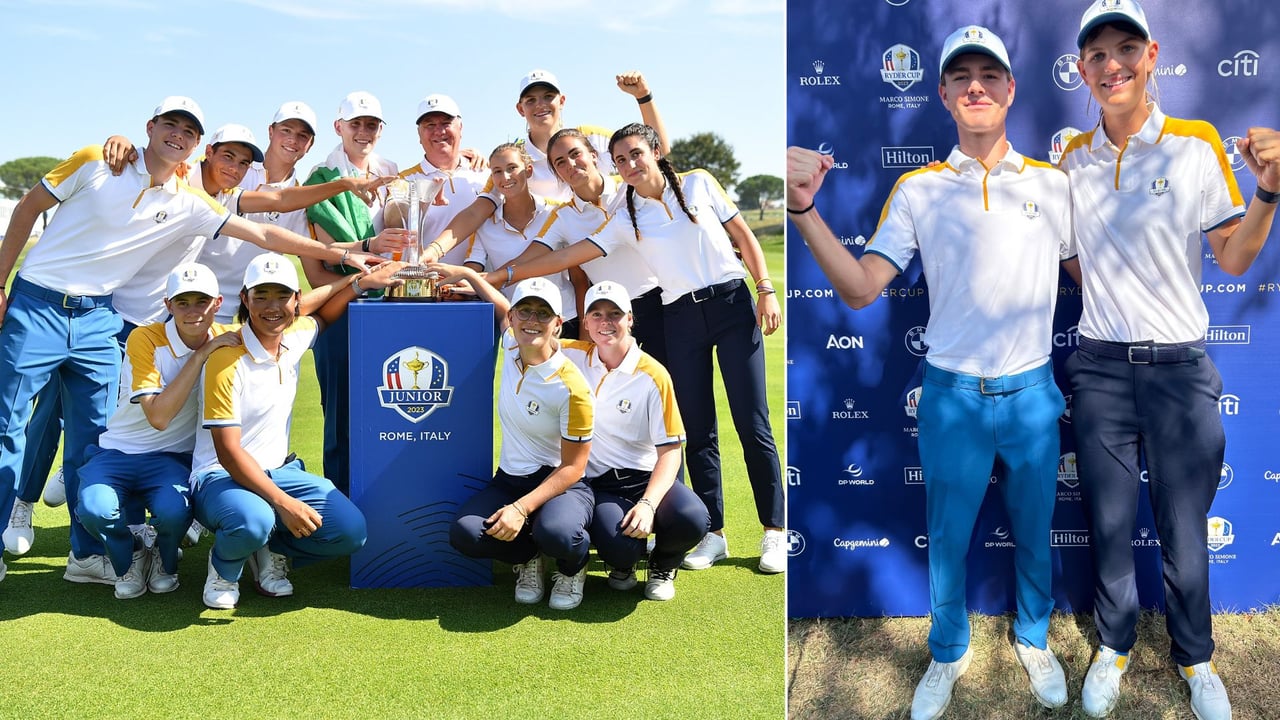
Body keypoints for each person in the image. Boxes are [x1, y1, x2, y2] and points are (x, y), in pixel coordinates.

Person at [789, 25, 1076, 719]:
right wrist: (802, 210)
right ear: (944, 94)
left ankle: (1033, 638)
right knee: (947, 540)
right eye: (962, 77)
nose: (976, 86)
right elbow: (860, 288)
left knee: (1035, 530)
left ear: (1011, 89)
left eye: (989, 75)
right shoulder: (918, 190)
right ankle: (948, 652)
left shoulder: (1056, 184)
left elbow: (1092, 278)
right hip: (951, 398)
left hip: (1034, 393)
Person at [0, 96, 380, 585]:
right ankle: (22, 508)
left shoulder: (198, 200)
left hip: (124, 318)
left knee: (95, 439)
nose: (235, 166)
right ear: (157, 130)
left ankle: (95, 546)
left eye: (243, 161)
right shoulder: (109, 160)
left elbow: (270, 228)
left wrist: (348, 254)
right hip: (79, 308)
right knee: (22, 424)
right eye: (171, 126)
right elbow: (30, 206)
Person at [1061, 3, 1279, 718]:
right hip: (1099, 370)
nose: (1113, 64)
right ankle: (1114, 647)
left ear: (1152, 55)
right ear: (1082, 67)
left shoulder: (1194, 144)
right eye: (1098, 53)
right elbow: (1070, 260)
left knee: (1186, 532)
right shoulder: (1070, 156)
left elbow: (1235, 255)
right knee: (1113, 524)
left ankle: (1196, 658)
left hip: (1180, 371)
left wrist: (1269, 192)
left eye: (1127, 48)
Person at [456, 123, 785, 574]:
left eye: (577, 155)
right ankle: (708, 532)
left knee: (735, 423)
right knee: (693, 427)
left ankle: (757, 530)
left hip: (696, 306)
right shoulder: (599, 216)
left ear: (600, 156)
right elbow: (560, 258)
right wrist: (491, 278)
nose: (629, 164)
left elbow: (730, 224)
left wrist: (765, 287)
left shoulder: (664, 188)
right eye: (559, 162)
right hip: (652, 316)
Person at [192, 253, 403, 610]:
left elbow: (323, 313)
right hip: (219, 476)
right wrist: (283, 501)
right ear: (245, 299)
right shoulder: (225, 358)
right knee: (253, 519)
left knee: (350, 530)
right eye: (262, 296)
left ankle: (270, 547)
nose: (272, 307)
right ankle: (225, 567)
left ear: (296, 301)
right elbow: (228, 452)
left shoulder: (294, 337)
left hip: (278, 471)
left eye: (282, 296)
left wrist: (359, 283)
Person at [76, 263, 240, 599]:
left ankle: (165, 562)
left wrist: (354, 283)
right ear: (168, 306)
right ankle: (132, 553)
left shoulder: (231, 335)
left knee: (173, 510)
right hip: (119, 450)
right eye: (183, 303)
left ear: (218, 303)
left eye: (202, 302)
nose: (193, 311)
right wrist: (203, 354)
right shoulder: (145, 337)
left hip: (171, 458)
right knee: (94, 508)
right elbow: (159, 417)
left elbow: (288, 316)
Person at [446, 274, 595, 611]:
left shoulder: (572, 389)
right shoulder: (511, 342)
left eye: (543, 314)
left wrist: (520, 508)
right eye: (524, 311)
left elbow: (574, 467)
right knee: (465, 534)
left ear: (558, 324)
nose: (532, 321)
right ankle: (529, 557)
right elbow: (500, 303)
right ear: (511, 318)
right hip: (511, 480)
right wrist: (468, 275)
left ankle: (573, 566)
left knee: (557, 533)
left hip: (561, 485)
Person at [560, 281, 709, 601]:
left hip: (644, 478)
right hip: (599, 483)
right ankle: (624, 564)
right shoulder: (571, 354)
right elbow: (524, 334)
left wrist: (648, 504)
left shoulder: (653, 374)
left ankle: (663, 564)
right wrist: (478, 283)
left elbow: (670, 450)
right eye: (596, 314)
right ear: (585, 322)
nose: (605, 322)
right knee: (621, 549)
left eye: (615, 314)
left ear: (630, 319)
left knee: (694, 518)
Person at [494, 128, 668, 364]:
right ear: (557, 173)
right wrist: (482, 279)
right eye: (560, 162)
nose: (571, 164)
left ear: (594, 154)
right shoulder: (562, 216)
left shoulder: (629, 187)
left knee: (673, 391)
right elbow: (528, 258)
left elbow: (663, 162)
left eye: (576, 154)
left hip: (662, 305)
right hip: (609, 316)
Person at [301, 91, 401, 495]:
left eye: (372, 124)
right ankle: (341, 500)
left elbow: (403, 233)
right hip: (340, 309)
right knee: (341, 414)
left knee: (388, 408)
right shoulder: (321, 177)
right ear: (338, 126)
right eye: (355, 123)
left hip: (389, 311)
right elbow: (324, 263)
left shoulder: (392, 171)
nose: (363, 131)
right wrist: (370, 249)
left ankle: (384, 496)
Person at [425, 142, 585, 338]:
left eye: (512, 168)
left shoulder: (557, 213)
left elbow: (578, 278)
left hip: (565, 318)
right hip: (521, 324)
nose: (505, 177)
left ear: (528, 171)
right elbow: (473, 269)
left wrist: (585, 332)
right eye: (497, 171)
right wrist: (446, 282)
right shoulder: (484, 224)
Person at [513, 69, 670, 201]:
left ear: (561, 101)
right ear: (520, 109)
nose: (540, 104)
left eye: (548, 96)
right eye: (531, 100)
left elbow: (659, 150)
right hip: (551, 236)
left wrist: (643, 96)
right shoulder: (515, 159)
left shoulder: (592, 137)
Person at [396, 93, 489, 267]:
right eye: (429, 125)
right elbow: (392, 221)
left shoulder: (486, 173)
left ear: (460, 127)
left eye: (446, 123)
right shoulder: (404, 180)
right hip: (425, 286)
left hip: (479, 285)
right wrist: (423, 202)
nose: (439, 131)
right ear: (419, 134)